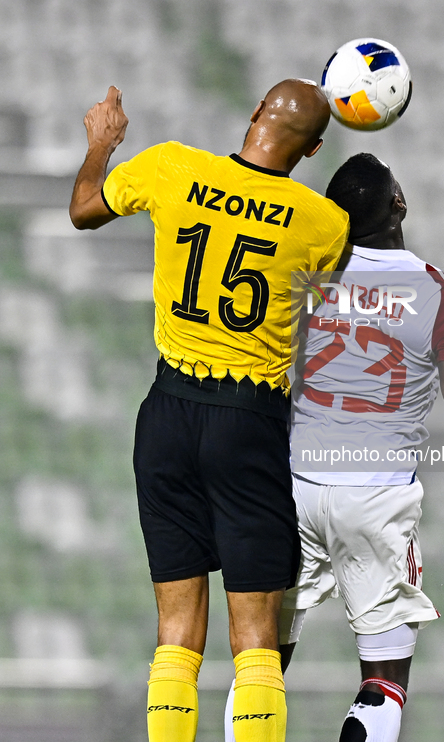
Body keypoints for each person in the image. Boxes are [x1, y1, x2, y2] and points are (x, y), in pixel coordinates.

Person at [69, 82, 349, 742]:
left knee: (174, 632)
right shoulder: (322, 221)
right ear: (311, 150)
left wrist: (101, 146)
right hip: (247, 420)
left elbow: (84, 210)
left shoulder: (171, 165)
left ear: (253, 112)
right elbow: (324, 312)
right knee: (253, 635)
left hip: (166, 412)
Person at [225, 152, 444, 742]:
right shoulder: (441, 296)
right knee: (383, 682)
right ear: (397, 203)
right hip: (376, 497)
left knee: (261, 663)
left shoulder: (304, 279)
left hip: (291, 488)